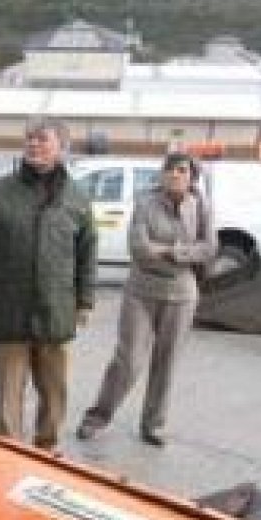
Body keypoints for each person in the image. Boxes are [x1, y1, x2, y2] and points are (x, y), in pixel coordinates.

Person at [0, 119, 97, 449]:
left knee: (54, 390)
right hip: (8, 309)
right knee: (9, 390)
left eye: (42, 139)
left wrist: (84, 300)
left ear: (61, 147)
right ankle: (10, 451)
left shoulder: (76, 197)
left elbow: (87, 253)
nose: (33, 145)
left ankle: (47, 446)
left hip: (56, 311)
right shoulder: (1, 192)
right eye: (29, 139)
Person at [77, 153, 216, 446]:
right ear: (162, 173)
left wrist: (169, 251)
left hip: (181, 295)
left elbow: (208, 248)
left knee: (167, 363)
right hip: (141, 292)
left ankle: (153, 425)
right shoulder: (145, 202)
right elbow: (139, 249)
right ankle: (98, 416)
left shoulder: (201, 205)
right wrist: (182, 251)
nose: (175, 175)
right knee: (128, 360)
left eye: (182, 170)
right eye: (170, 169)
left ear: (191, 178)